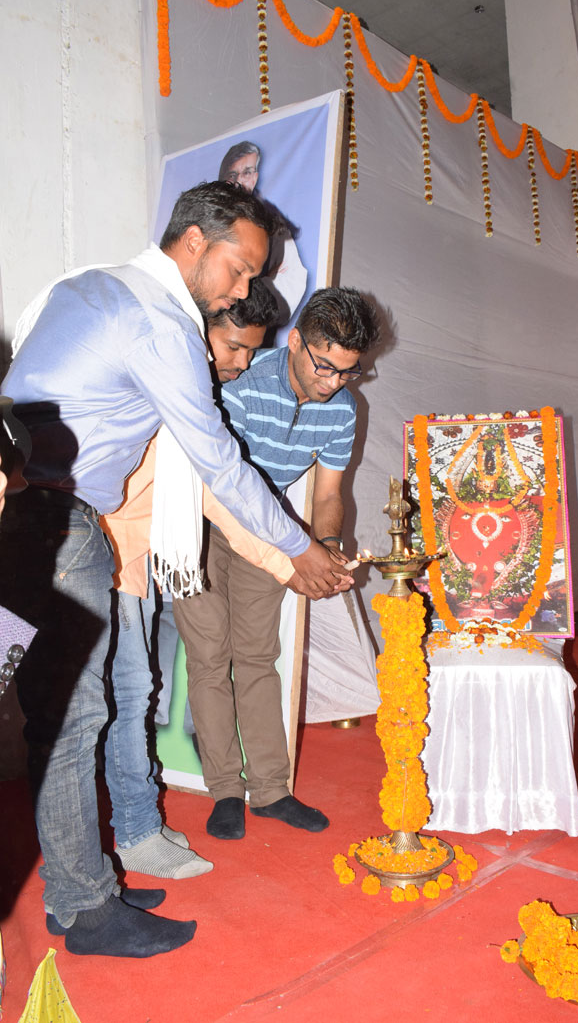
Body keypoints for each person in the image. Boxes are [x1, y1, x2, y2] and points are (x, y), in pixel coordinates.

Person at [0, 181, 349, 959]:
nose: (243, 288)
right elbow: (217, 462)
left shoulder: (88, 285)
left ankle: (71, 889)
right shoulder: (161, 321)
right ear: (195, 242)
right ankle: (89, 909)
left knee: (61, 714)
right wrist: (297, 551)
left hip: (20, 515)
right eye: (239, 268)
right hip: (57, 524)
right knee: (75, 719)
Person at [173, 287, 379, 840]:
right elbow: (226, 485)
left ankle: (270, 790)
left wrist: (328, 542)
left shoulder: (343, 408)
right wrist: (296, 550)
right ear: (295, 343)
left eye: (349, 372)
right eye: (325, 367)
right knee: (211, 657)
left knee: (258, 656)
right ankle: (225, 792)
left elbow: (329, 493)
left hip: (272, 531)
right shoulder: (237, 376)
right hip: (198, 523)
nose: (333, 383)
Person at [101, 279, 280, 884]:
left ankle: (132, 831)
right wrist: (295, 560)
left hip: (135, 565)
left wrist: (290, 559)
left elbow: (213, 491)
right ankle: (120, 847)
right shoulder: (158, 385)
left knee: (129, 698)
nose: (243, 363)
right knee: (106, 708)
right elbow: (222, 490)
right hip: (91, 561)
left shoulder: (182, 391)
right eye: (233, 348)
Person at [218, 140, 307, 328]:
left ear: (255, 177)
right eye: (233, 174)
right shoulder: (211, 216)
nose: (239, 181)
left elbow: (291, 277)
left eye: (247, 173)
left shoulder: (273, 222)